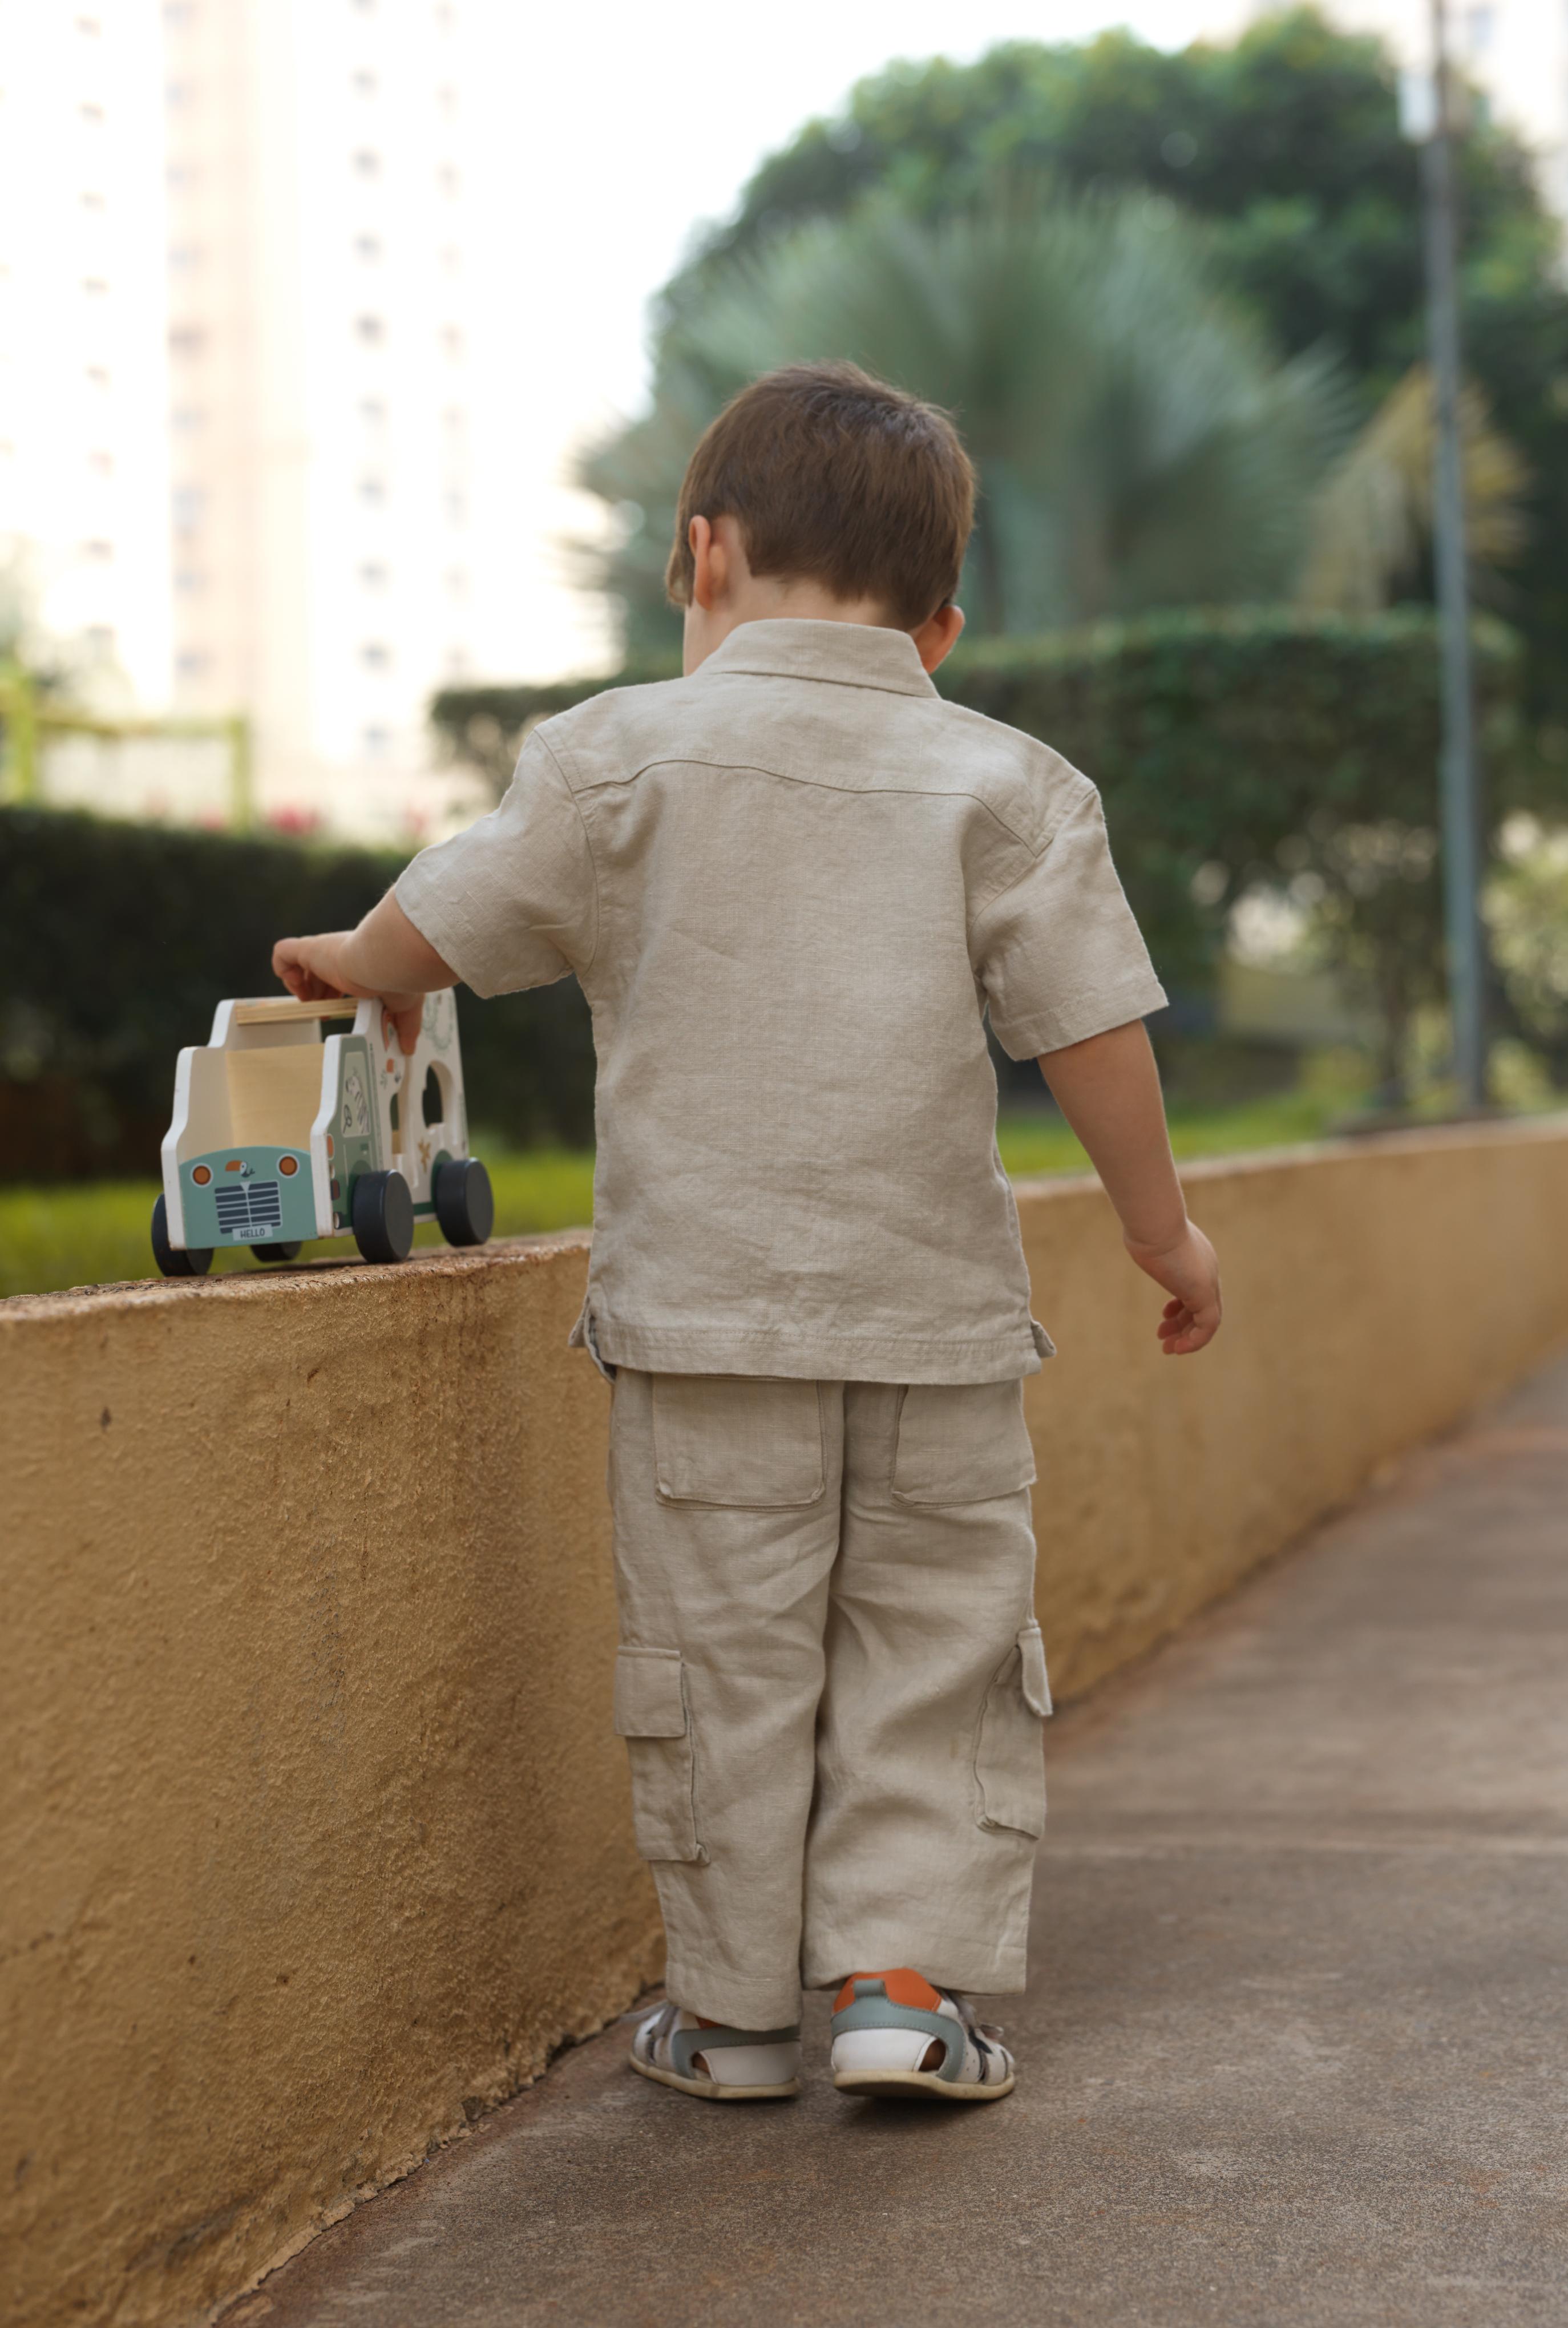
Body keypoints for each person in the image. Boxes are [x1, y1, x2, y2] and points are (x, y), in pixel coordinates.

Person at [272, 361, 1222, 2106]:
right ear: (939, 626)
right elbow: (1091, 1029)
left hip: (703, 1326)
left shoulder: (610, 756)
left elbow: (446, 916)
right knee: (931, 1654)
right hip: (933, 1332)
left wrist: (351, 963)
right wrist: (1161, 1234)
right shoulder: (1009, 784)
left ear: (703, 554)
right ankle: (900, 1995)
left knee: (720, 1662)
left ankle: (727, 2020)